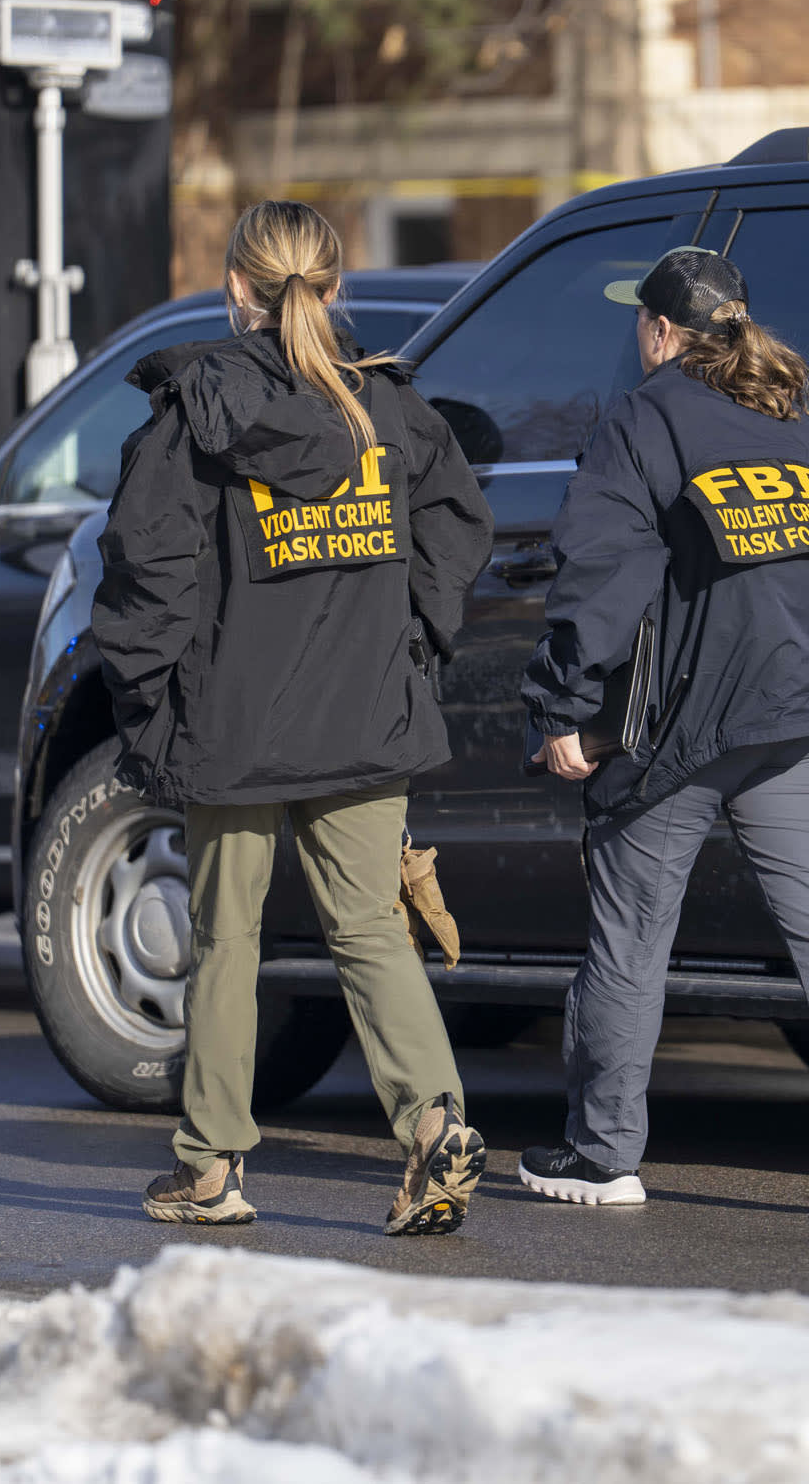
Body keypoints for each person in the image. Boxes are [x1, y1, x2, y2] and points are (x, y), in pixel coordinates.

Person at [92, 200, 495, 1235]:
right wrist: (412, 638)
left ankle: (212, 1168)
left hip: (237, 721)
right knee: (369, 929)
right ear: (334, 289)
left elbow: (148, 568)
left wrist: (148, 698)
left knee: (226, 939)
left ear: (237, 289)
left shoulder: (199, 409)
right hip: (365, 712)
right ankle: (434, 1117)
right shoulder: (390, 409)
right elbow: (459, 523)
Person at [516, 246, 809, 1219]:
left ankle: (604, 1152)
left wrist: (567, 705)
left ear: (659, 330)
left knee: (629, 932)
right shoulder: (796, 418)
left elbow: (601, 570)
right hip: (801, 711)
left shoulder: (645, 417)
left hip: (684, 726)